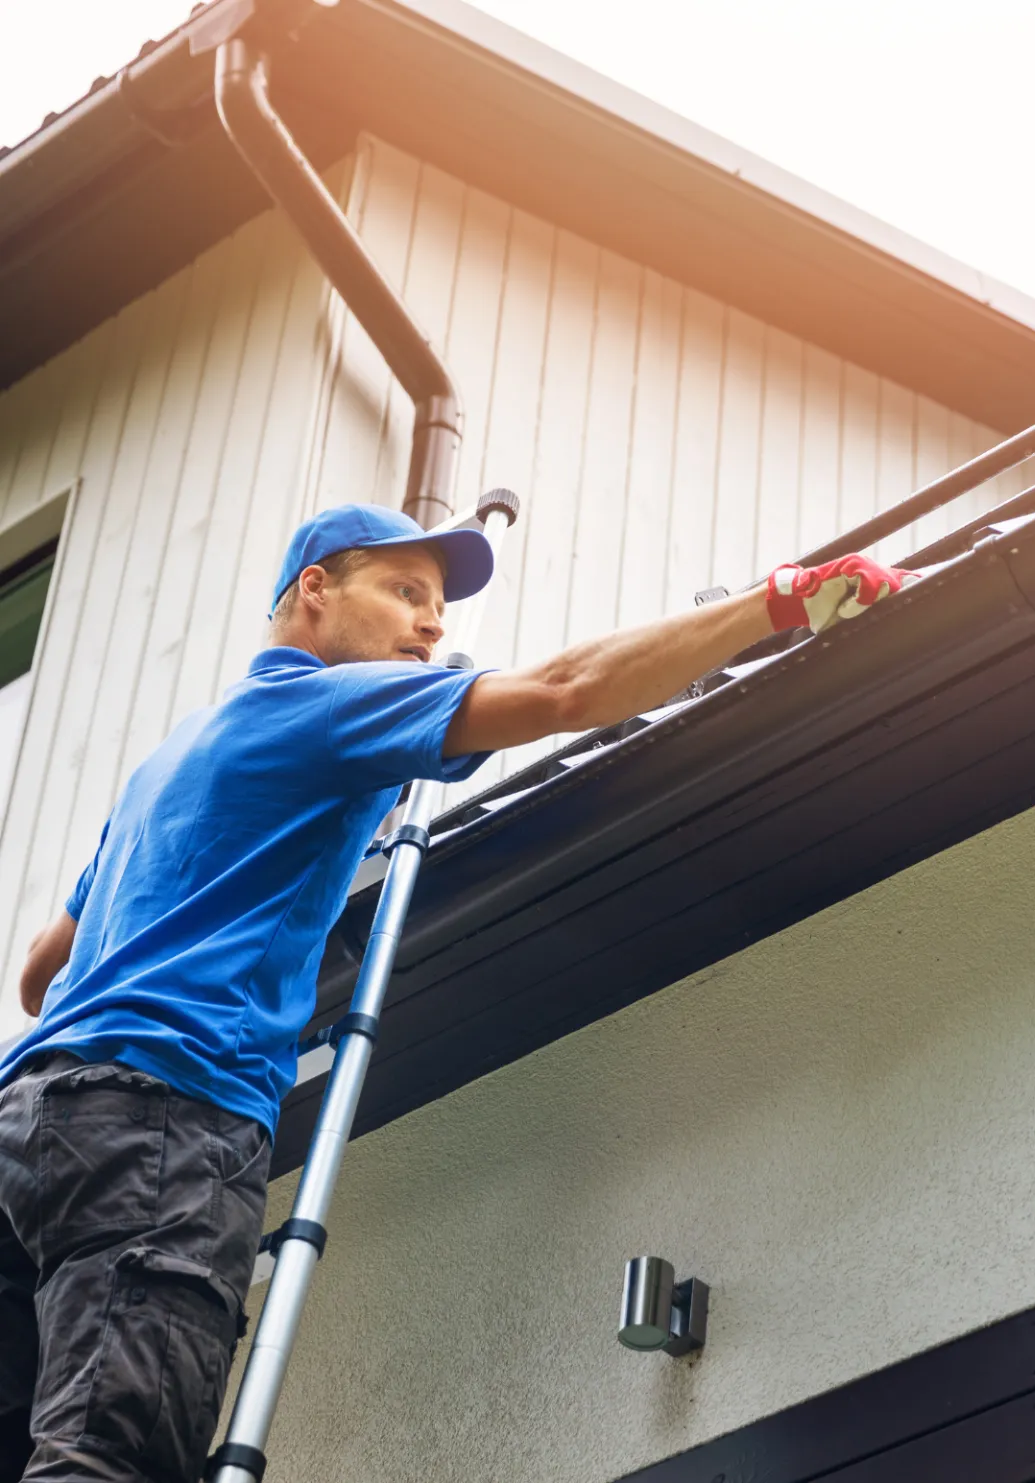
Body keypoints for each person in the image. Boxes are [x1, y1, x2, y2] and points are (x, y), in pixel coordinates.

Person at [0, 502, 916, 1483]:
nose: (432, 624)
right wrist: (775, 600)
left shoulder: (166, 767)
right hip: (164, 1129)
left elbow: (38, 973)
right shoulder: (323, 707)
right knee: (109, 1462)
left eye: (438, 606)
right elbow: (566, 689)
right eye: (404, 592)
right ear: (315, 590)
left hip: (30, 1126)